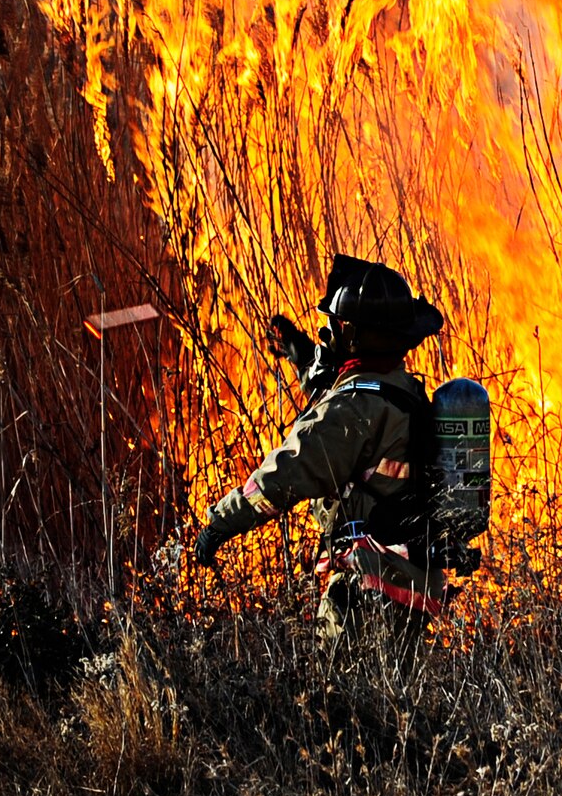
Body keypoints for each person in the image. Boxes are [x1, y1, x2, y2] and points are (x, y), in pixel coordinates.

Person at [192, 254, 448, 638]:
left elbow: (292, 468)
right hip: (414, 584)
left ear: (356, 333)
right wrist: (300, 353)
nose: (332, 331)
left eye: (339, 325)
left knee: (341, 695)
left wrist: (221, 523)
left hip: (364, 586)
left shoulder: (349, 409)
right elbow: (348, 403)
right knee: (397, 696)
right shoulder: (402, 389)